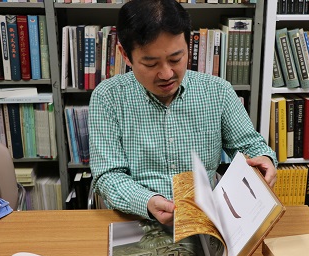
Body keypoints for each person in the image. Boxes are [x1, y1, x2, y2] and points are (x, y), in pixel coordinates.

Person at [88, 0, 277, 226]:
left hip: (205, 219)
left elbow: (252, 147)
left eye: (176, 59)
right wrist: (148, 201)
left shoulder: (218, 91)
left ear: (189, 45)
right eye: (150, 64)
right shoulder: (108, 97)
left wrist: (265, 160)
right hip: (136, 218)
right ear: (125, 55)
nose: (167, 74)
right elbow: (108, 175)